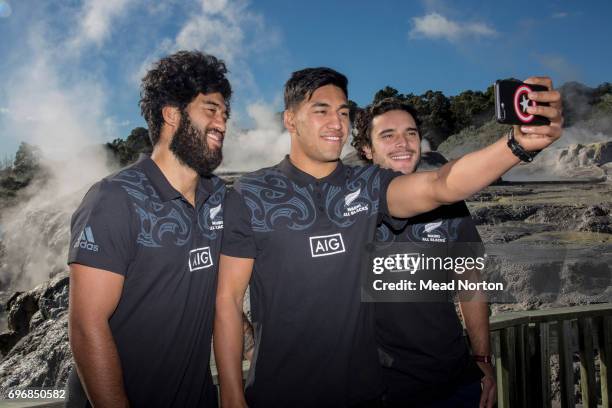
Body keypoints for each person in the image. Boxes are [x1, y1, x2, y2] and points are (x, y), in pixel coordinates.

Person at [214, 67, 562, 408]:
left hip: (382, 391)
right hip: (287, 394)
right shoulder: (251, 192)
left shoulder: (366, 187)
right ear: (290, 120)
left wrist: (516, 145)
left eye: (343, 112)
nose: (336, 122)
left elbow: (442, 186)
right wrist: (232, 389)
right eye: (321, 110)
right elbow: (228, 297)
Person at [66, 50, 231, 407]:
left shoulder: (218, 196)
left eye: (225, 113)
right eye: (211, 109)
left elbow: (215, 290)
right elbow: (86, 326)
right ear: (172, 114)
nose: (222, 122)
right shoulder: (114, 199)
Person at [352, 97, 496, 408]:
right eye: (387, 135)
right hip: (381, 389)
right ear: (367, 149)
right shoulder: (349, 206)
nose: (402, 142)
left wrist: (482, 357)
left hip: (455, 381)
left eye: (411, 133)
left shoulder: (449, 201)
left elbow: (470, 281)